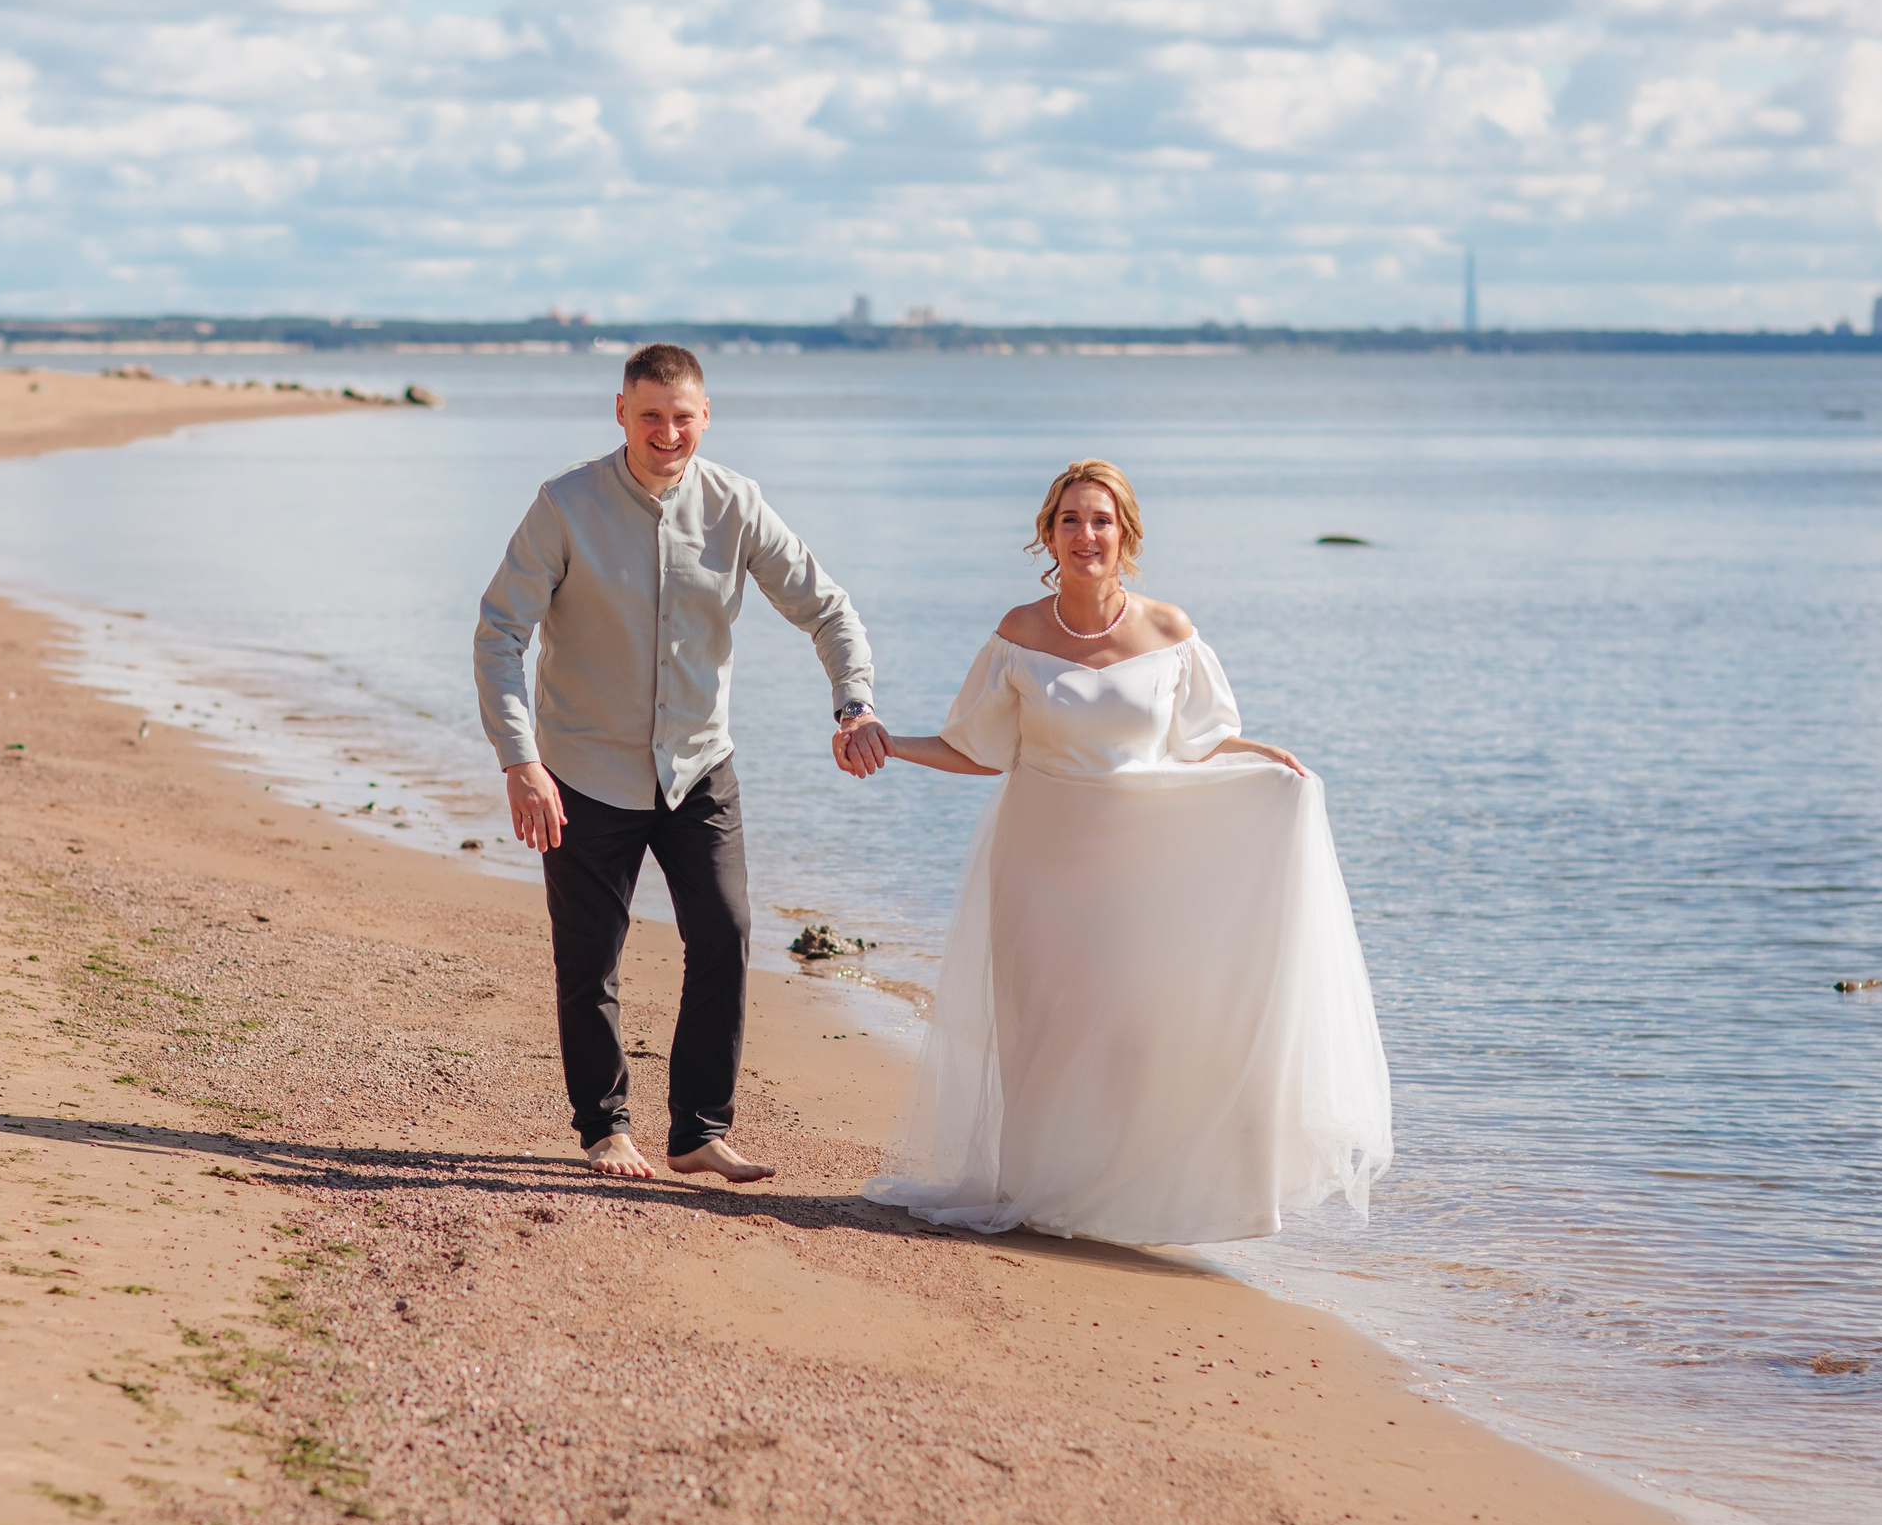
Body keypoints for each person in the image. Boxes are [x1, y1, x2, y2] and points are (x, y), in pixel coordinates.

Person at [848, 459, 1392, 1244]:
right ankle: (1043, 1195)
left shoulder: (1170, 631)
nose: (1085, 534)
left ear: (1126, 534)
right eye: (1070, 520)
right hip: (1038, 862)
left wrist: (1264, 761)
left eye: (1100, 520)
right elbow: (979, 749)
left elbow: (1201, 742)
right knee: (1046, 1029)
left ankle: (1136, 1198)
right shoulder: (1019, 632)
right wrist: (888, 742)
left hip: (1140, 867)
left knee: (1137, 1031)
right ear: (1048, 533)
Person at [475, 343, 888, 1181]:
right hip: (582, 772)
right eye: (652, 415)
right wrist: (521, 762)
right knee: (590, 958)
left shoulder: (737, 504)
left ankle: (697, 1130)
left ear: (706, 419)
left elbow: (827, 609)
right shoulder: (565, 506)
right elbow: (499, 636)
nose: (668, 432)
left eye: (684, 417)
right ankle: (606, 1129)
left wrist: (853, 703)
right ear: (621, 412)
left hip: (699, 766)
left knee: (726, 934)